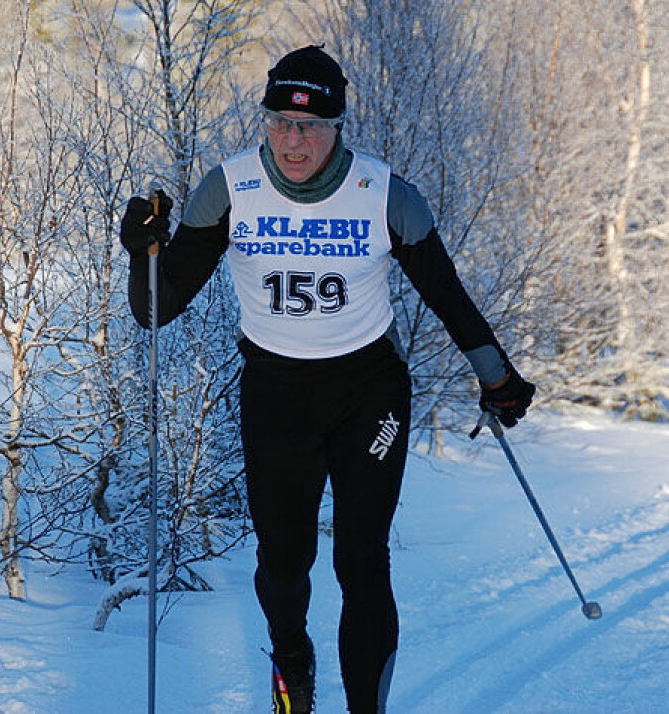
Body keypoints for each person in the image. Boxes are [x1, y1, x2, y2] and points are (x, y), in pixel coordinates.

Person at [120, 45, 535, 714]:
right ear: (265, 121)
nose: (294, 139)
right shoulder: (227, 190)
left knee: (360, 559)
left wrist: (498, 377)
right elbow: (158, 311)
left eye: (311, 125)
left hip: (369, 392)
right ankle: (293, 671)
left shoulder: (384, 193)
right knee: (282, 570)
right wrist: (141, 251)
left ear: (338, 126)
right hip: (276, 396)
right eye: (280, 120)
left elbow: (446, 295)